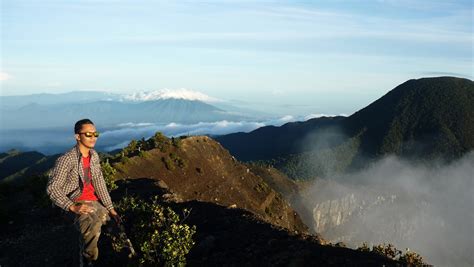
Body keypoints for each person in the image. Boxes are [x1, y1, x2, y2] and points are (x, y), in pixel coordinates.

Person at [47, 119, 120, 266]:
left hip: (94, 201)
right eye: (88, 134)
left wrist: (112, 210)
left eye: (95, 134)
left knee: (117, 227)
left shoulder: (94, 156)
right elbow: (52, 188)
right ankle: (87, 260)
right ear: (77, 136)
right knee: (92, 228)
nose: (93, 137)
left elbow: (99, 183)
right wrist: (72, 207)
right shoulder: (66, 159)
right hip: (75, 201)